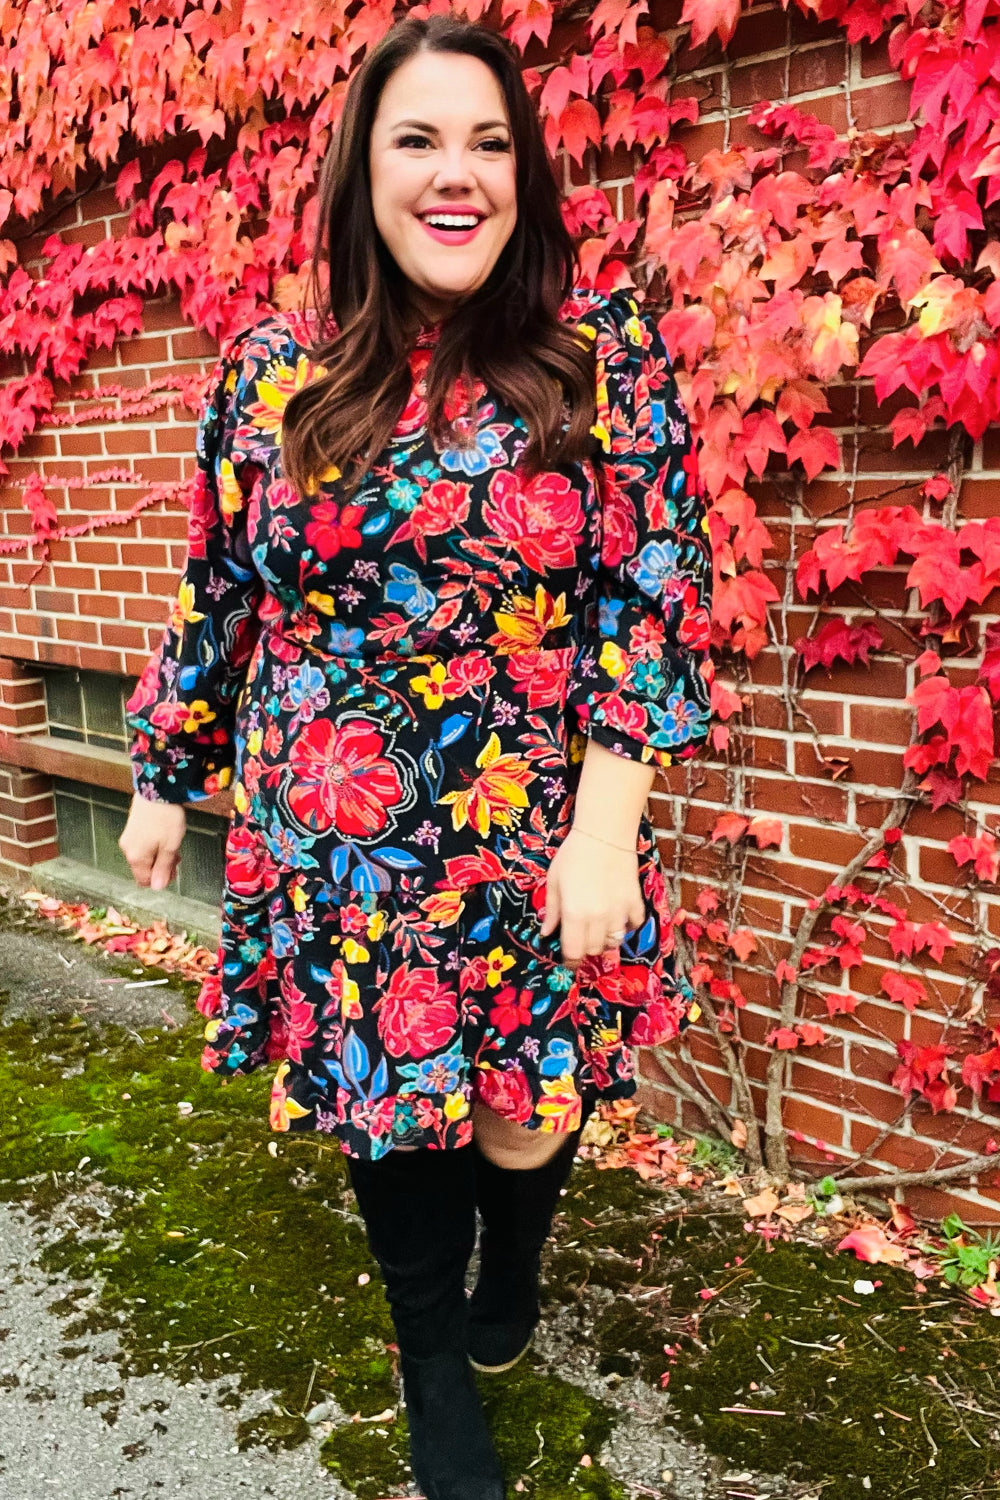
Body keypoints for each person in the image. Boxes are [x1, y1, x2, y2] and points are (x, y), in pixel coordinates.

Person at [120, 14, 712, 1499]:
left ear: (525, 174)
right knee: (391, 1118)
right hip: (338, 835)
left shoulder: (599, 358)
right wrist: (164, 771)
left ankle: (514, 1265)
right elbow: (221, 589)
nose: (459, 174)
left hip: (531, 824)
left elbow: (649, 599)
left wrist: (607, 829)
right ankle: (433, 1360)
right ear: (362, 174)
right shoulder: (273, 375)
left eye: (490, 143)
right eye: (420, 140)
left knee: (522, 1112)